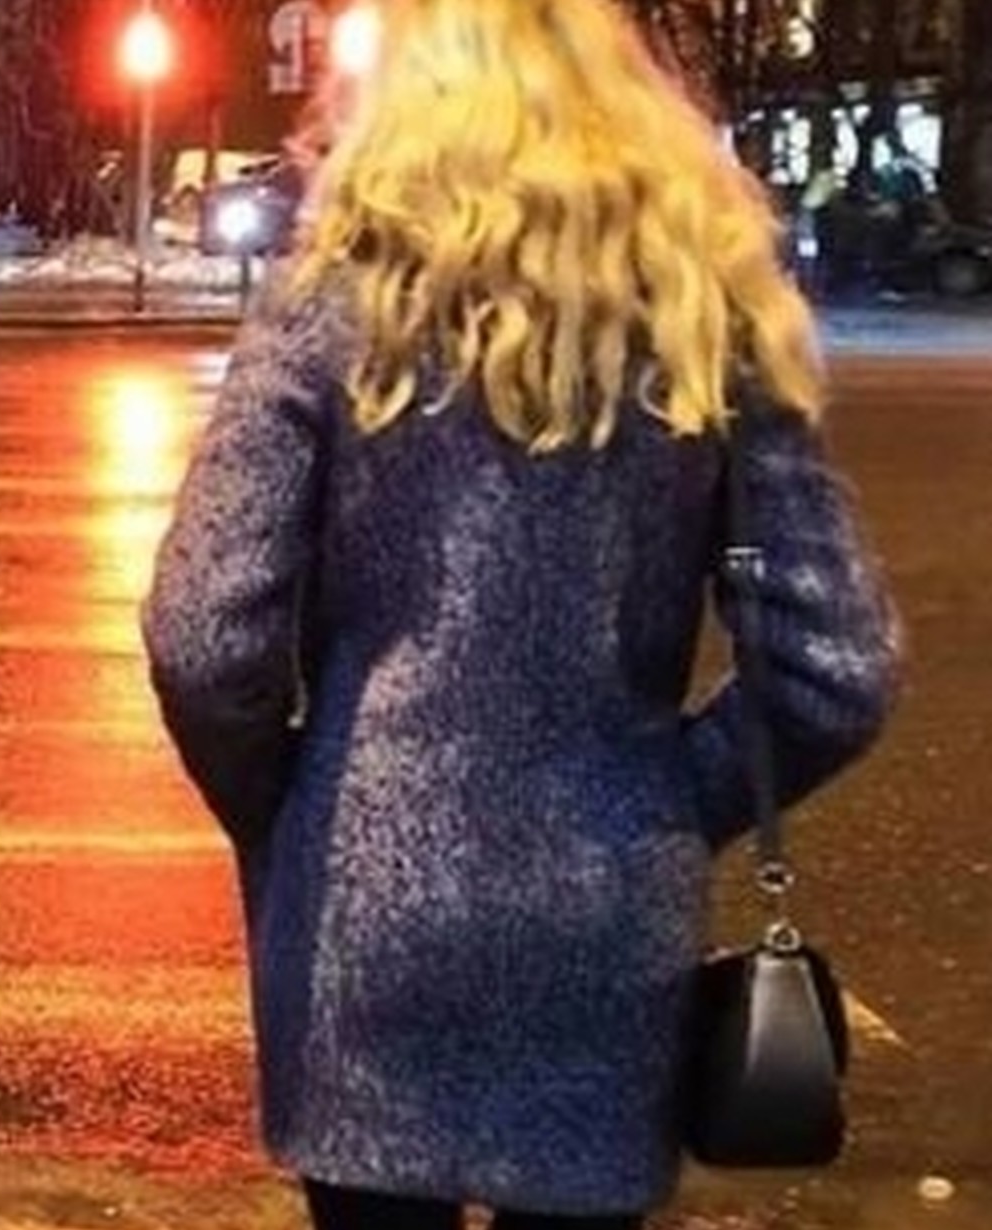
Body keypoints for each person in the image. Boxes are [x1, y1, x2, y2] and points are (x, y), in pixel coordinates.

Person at [140, 2, 899, 1228]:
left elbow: (203, 636)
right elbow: (832, 670)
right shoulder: (704, 302)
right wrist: (665, 798)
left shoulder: (335, 293)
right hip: (605, 929)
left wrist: (293, 808)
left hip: (363, 919)